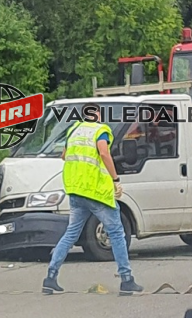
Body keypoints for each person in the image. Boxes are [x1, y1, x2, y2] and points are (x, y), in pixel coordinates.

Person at [41, 103, 144, 296]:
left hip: (75, 190)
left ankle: (50, 278)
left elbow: (64, 156)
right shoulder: (100, 130)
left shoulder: (74, 130)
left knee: (71, 233)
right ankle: (127, 280)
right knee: (116, 232)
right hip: (96, 191)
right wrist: (115, 179)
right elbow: (104, 153)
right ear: (97, 114)